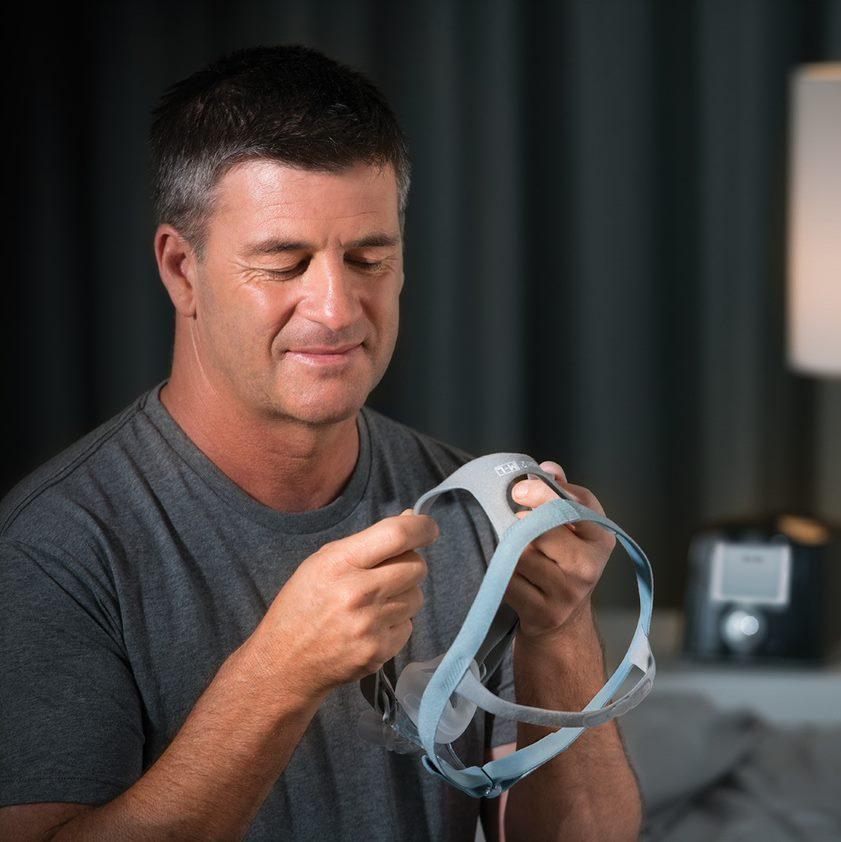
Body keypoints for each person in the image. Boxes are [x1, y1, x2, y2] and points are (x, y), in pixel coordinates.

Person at [0, 44, 642, 841]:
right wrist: (278, 676)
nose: (336, 309)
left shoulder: (468, 506)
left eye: (368, 258)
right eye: (284, 263)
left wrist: (560, 633)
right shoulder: (52, 549)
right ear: (180, 269)